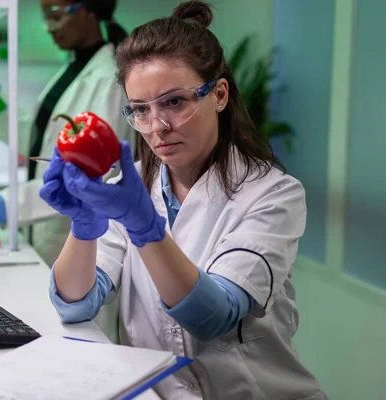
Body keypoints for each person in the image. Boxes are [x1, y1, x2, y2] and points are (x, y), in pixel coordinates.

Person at [39, 1, 326, 399]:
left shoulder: (272, 194)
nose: (157, 127)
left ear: (219, 94)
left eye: (175, 102)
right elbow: (76, 305)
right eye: (140, 109)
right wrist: (84, 226)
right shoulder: (132, 185)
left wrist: (145, 228)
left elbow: (212, 316)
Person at [0, 0, 134, 268]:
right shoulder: (73, 69)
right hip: (47, 234)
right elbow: (42, 144)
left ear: (89, 10)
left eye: (55, 16)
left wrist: (11, 202)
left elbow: (97, 173)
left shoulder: (108, 79)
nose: (49, 28)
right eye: (46, 18)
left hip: (81, 240)